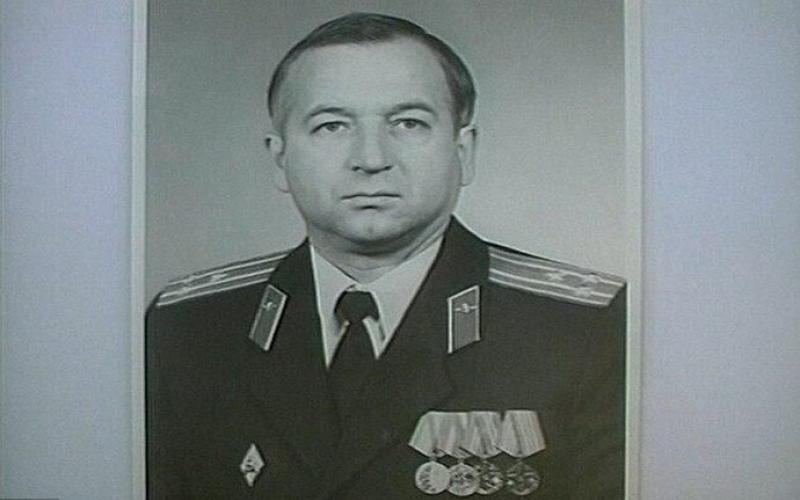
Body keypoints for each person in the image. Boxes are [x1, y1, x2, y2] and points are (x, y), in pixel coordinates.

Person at [147, 12, 626, 499]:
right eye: (332, 126)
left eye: (408, 123)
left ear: (463, 151)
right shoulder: (187, 328)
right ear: (280, 158)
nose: (371, 159)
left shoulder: (586, 329)